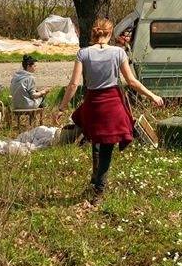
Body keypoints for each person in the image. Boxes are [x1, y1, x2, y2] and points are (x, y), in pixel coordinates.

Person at [57, 19, 164, 198]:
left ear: (94, 33)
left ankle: (95, 181)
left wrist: (61, 108)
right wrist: (152, 95)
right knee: (106, 146)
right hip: (112, 103)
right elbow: (131, 81)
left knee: (96, 140)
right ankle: (99, 189)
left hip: (93, 104)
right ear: (110, 33)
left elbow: (74, 84)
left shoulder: (83, 53)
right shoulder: (118, 52)